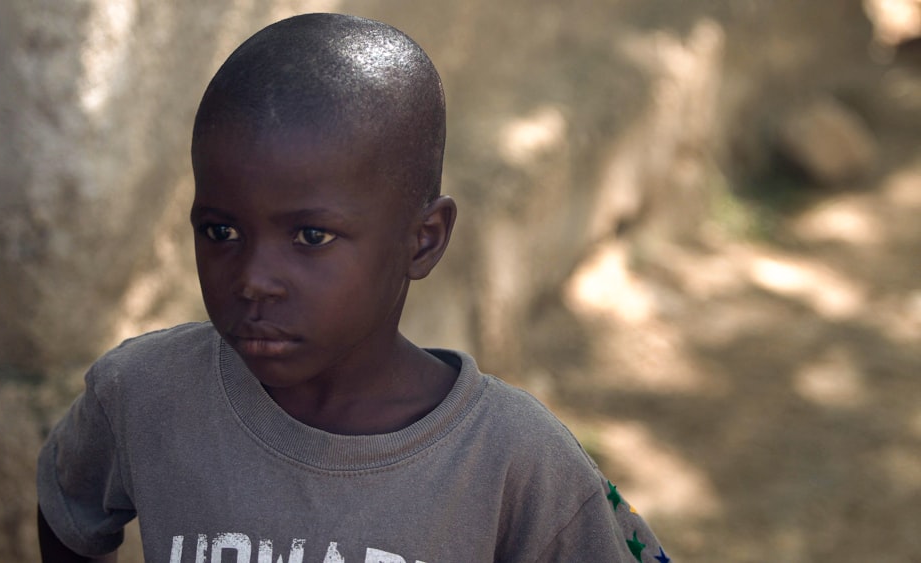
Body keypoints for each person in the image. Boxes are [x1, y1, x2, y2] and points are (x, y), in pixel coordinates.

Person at [37, 12, 671, 563]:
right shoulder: (145, 393)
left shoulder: (510, 460)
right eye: (221, 230)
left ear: (422, 241)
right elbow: (69, 510)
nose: (253, 280)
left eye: (311, 237)